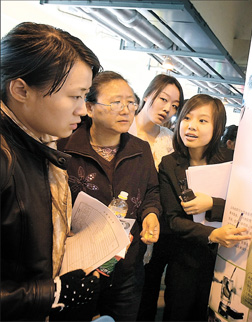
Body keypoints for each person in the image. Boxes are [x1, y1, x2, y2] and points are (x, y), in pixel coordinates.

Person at [0, 22, 102, 320]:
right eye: (74, 96)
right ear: (21, 90)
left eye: (85, 96)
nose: (82, 110)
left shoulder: (38, 144)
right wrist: (52, 294)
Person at [57, 71, 162, 321]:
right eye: (116, 102)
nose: (126, 110)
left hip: (126, 268)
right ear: (90, 107)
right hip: (79, 267)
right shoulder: (65, 148)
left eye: (130, 102)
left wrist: (150, 215)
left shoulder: (140, 150)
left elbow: (151, 191)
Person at [158, 94, 251, 321]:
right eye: (187, 118)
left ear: (217, 127)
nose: (191, 126)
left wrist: (212, 203)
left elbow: (245, 206)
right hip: (184, 262)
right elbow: (172, 219)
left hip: (225, 259)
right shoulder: (170, 164)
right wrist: (212, 234)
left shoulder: (231, 161)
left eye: (202, 120)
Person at [132, 74, 184, 321]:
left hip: (154, 227)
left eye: (175, 105)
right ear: (147, 94)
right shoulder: (124, 127)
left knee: (146, 292)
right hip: (120, 220)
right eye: (163, 99)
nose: (168, 109)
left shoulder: (170, 140)